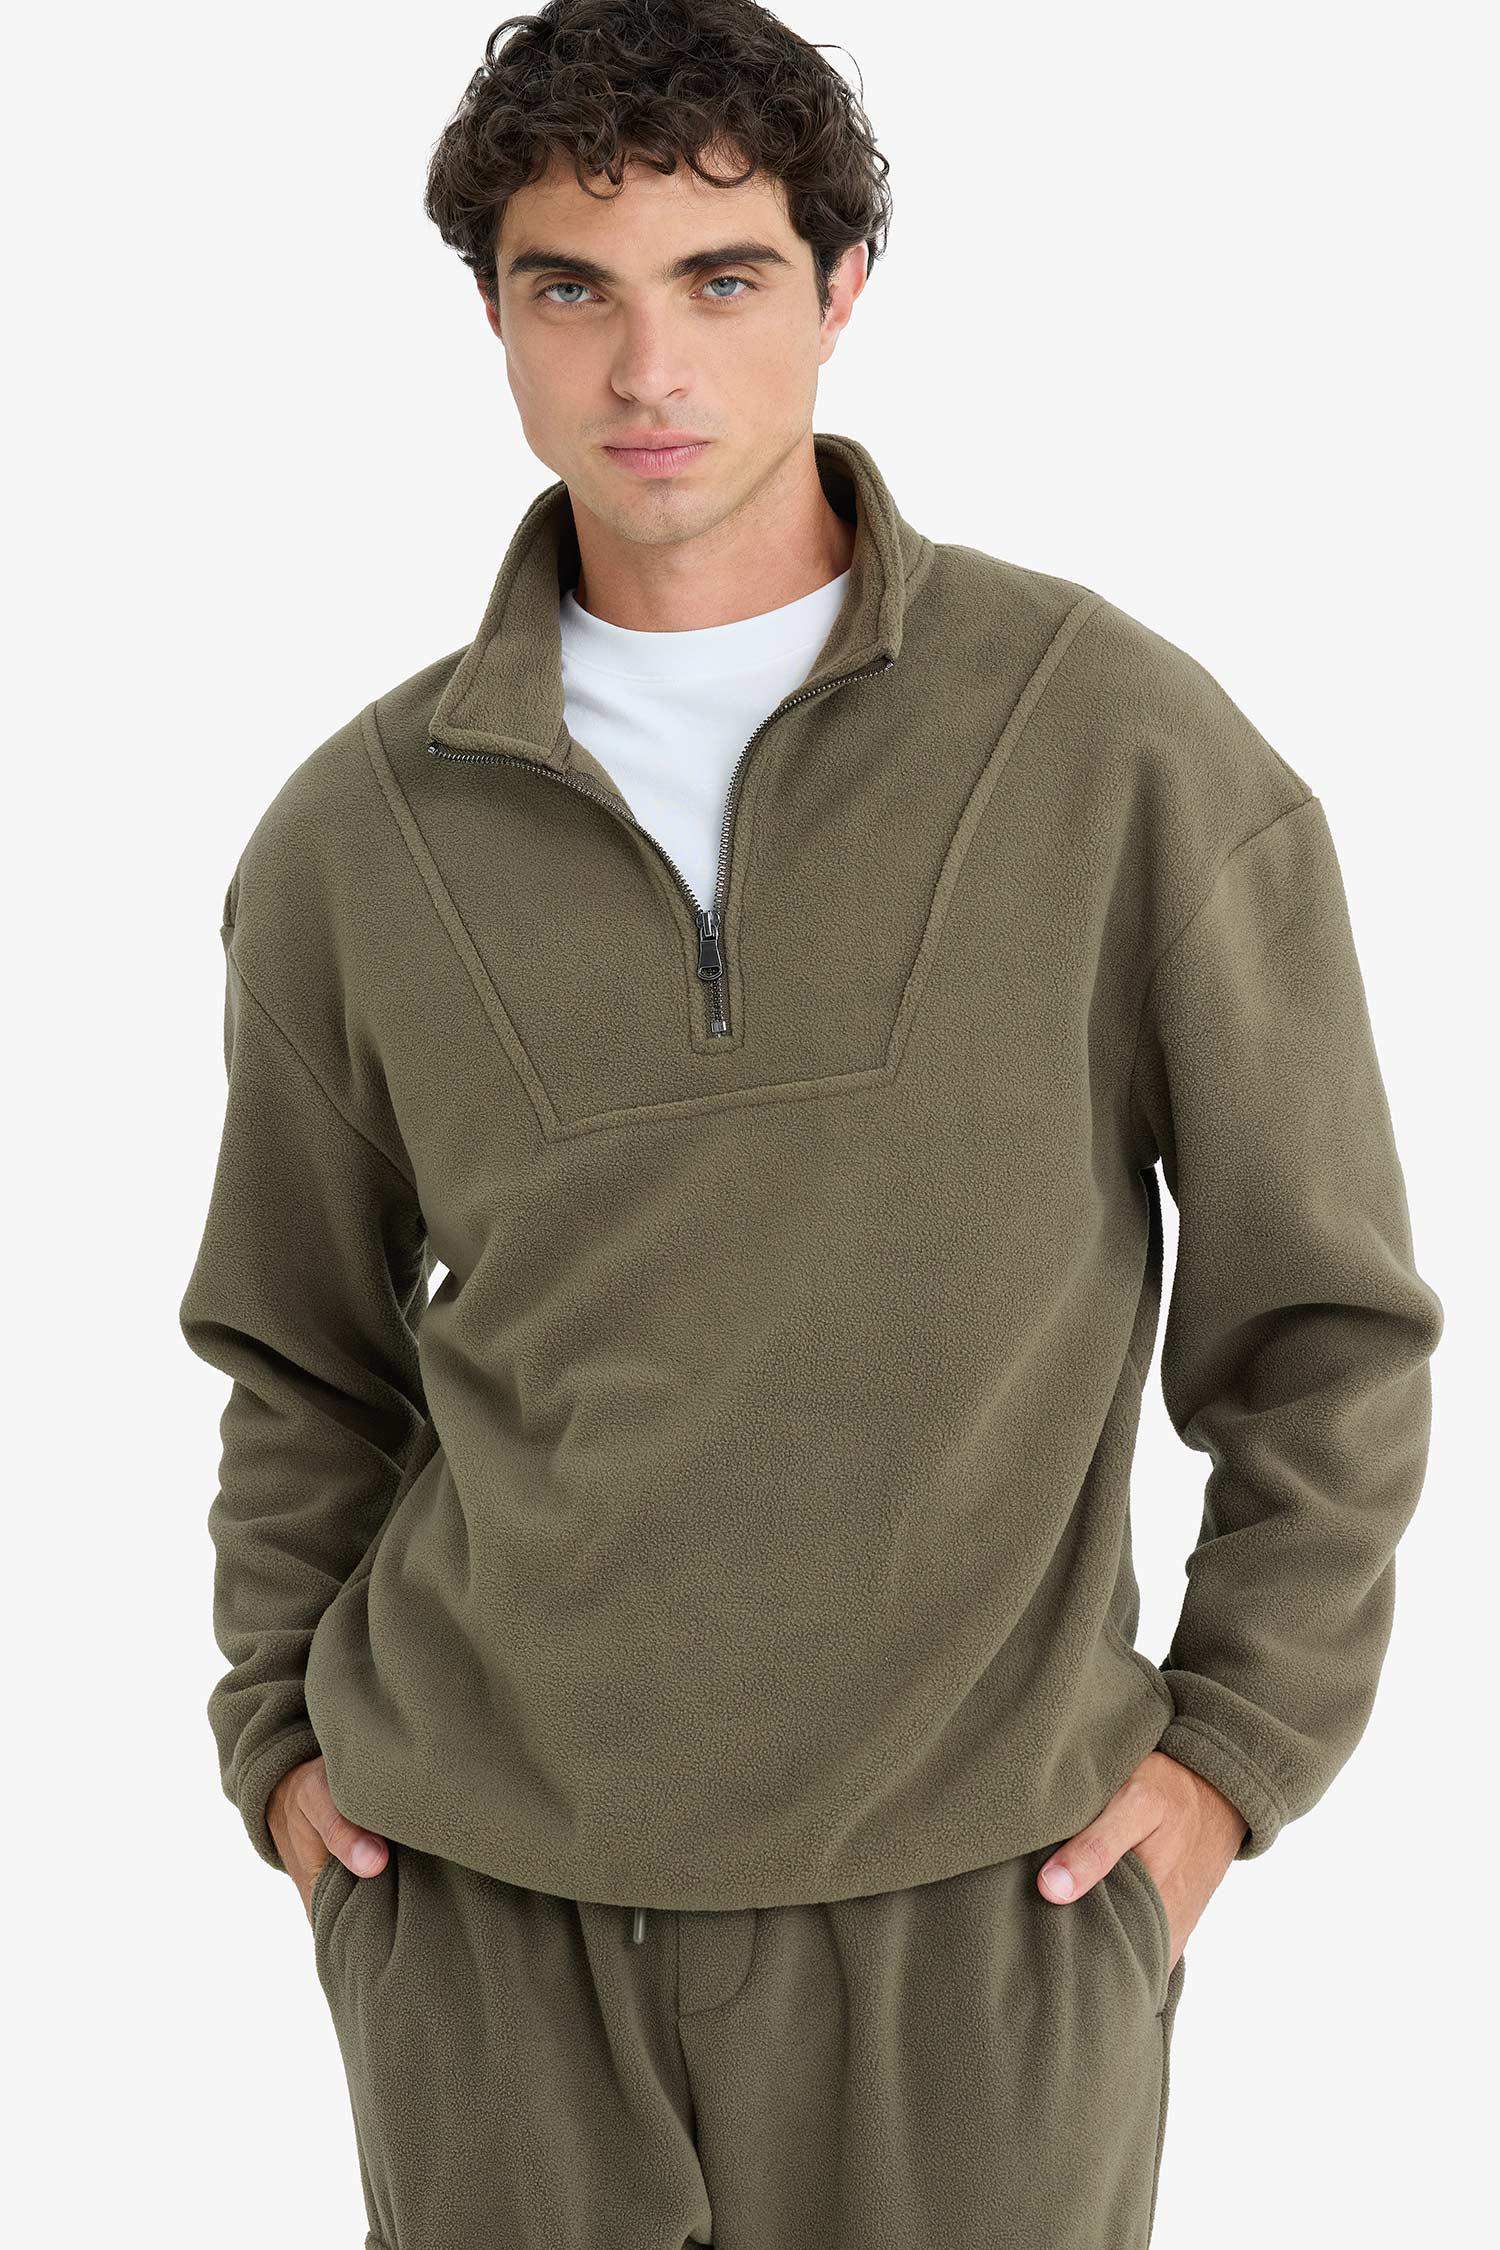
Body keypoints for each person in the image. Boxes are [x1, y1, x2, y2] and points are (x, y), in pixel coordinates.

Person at [178, 3, 1444, 2243]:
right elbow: (299, 1359)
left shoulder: (1117, 748)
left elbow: (1323, 1323)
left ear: (842, 289)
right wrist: (282, 1751)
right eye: (572, 288)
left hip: (986, 1919)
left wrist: (1230, 1764)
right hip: (483, 1920)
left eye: (723, 276)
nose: (647, 366)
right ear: (495, 317)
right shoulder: (353, 840)